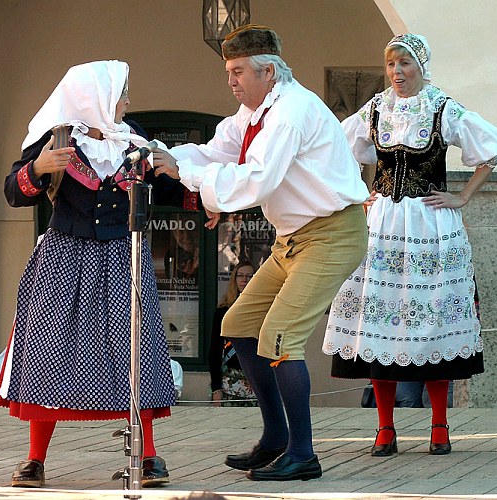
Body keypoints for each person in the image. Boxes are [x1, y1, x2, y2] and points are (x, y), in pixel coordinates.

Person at [152, 25, 370, 481]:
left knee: (280, 338)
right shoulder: (254, 112)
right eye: (228, 72)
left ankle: (304, 453)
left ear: (268, 71)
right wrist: (163, 154)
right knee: (239, 323)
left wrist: (189, 178)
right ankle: (276, 438)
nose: (231, 81)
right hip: (293, 238)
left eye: (238, 72)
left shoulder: (291, 112)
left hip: (331, 235)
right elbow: (215, 153)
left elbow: (257, 179)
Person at [0, 60, 183, 488]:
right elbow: (12, 191)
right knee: (48, 354)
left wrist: (186, 183)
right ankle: (34, 459)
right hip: (63, 257)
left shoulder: (134, 141)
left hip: (124, 255)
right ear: (94, 97)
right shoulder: (56, 139)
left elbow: (171, 190)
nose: (128, 101)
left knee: (138, 350)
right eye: (122, 93)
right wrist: (38, 169)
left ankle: (147, 454)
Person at [323, 34, 497, 457]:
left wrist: (461, 197)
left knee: (433, 322)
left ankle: (439, 423)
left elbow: (490, 152)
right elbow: (337, 150)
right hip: (384, 222)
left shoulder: (443, 107)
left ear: (421, 65)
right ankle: (385, 426)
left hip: (430, 223)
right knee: (380, 320)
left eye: (405, 63)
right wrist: (357, 195)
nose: (397, 72)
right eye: (391, 64)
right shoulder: (375, 109)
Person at [209, 260, 257, 407]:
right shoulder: (223, 311)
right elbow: (215, 350)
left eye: (249, 276)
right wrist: (216, 388)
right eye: (240, 275)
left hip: (256, 377)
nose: (244, 279)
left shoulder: (263, 309)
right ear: (234, 279)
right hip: (229, 378)